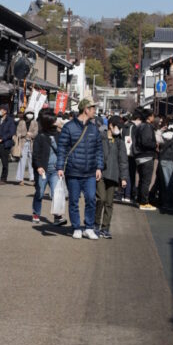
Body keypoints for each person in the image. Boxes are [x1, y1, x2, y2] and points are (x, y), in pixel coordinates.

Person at [56, 99, 104, 240]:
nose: (95, 111)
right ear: (86, 110)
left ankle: (89, 227)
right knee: (74, 200)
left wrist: (99, 167)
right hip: (73, 170)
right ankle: (76, 227)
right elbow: (62, 148)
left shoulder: (94, 128)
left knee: (91, 199)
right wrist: (60, 167)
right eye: (93, 108)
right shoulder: (69, 127)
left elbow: (99, 150)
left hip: (90, 171)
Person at [95, 116, 129, 239]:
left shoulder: (119, 141)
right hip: (101, 173)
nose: (119, 130)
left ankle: (105, 228)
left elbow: (123, 160)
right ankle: (95, 224)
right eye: (118, 127)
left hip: (114, 175)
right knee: (101, 199)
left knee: (109, 203)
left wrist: (124, 177)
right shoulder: (100, 137)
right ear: (110, 126)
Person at [31, 110, 66, 228]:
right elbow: (35, 154)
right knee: (40, 193)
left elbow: (62, 151)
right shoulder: (40, 136)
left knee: (56, 194)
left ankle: (57, 217)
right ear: (47, 123)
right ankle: (36, 213)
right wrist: (39, 167)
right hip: (43, 171)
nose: (56, 122)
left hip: (56, 170)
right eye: (53, 120)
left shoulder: (59, 134)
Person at [134, 108, 157, 211]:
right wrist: (154, 145)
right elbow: (146, 142)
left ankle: (140, 200)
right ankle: (144, 202)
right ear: (149, 117)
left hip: (140, 155)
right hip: (146, 155)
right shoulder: (147, 127)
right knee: (146, 180)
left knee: (142, 179)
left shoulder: (139, 126)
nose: (154, 117)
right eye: (152, 115)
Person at [0, 105, 16, 185]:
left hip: (5, 144)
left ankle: (3, 178)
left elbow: (11, 132)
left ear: (5, 111)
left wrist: (2, 139)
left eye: (0, 109)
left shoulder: (10, 120)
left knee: (5, 162)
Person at [14, 110, 38, 184]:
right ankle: (20, 178)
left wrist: (31, 134)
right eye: (28, 113)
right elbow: (17, 132)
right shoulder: (21, 122)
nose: (30, 115)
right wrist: (25, 134)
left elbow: (36, 132)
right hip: (22, 143)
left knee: (32, 161)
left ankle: (32, 178)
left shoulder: (35, 122)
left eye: (31, 113)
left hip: (31, 142)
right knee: (22, 160)